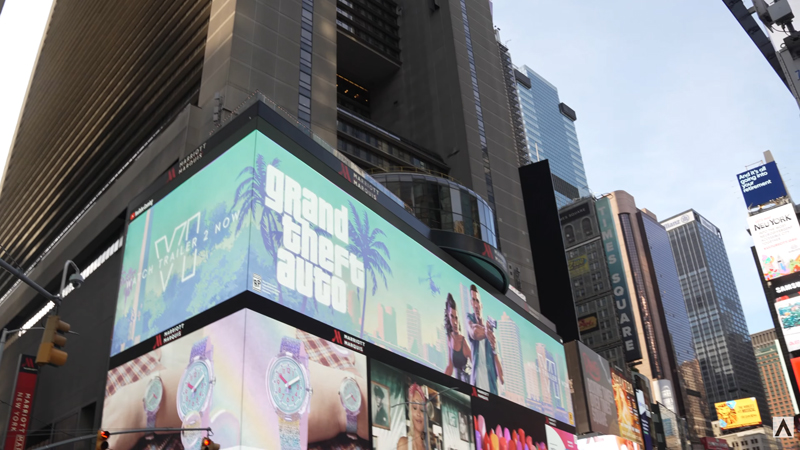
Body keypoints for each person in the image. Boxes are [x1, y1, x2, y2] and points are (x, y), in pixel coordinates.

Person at [466, 284, 504, 395]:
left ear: (481, 305)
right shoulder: (470, 319)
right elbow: (474, 332)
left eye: (477, 301)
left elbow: (501, 378)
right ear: (471, 303)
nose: (476, 305)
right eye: (473, 300)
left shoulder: (491, 332)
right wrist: (487, 332)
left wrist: (495, 349)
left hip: (491, 395)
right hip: (475, 392)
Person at [444, 293, 472, 383]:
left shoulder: (463, 342)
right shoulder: (449, 338)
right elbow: (450, 367)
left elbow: (476, 368)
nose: (455, 322)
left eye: (456, 318)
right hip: (457, 387)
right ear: (448, 316)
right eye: (452, 317)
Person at [397, 383, 427, 450]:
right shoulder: (404, 444)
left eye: (422, 409)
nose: (418, 413)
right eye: (415, 408)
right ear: (410, 412)